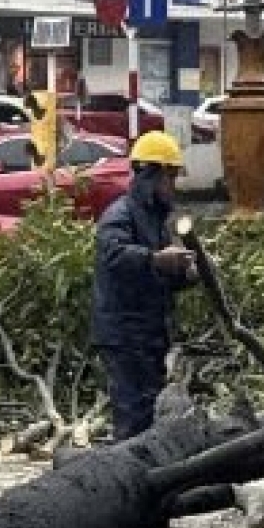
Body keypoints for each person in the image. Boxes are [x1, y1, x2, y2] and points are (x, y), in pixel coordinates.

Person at [92, 131, 196, 440]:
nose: (173, 186)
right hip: (124, 334)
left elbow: (155, 277)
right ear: (150, 175)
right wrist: (156, 259)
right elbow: (114, 257)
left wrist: (184, 275)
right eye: (169, 178)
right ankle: (127, 466)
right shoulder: (120, 215)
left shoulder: (155, 220)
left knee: (150, 411)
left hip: (148, 333)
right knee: (133, 415)